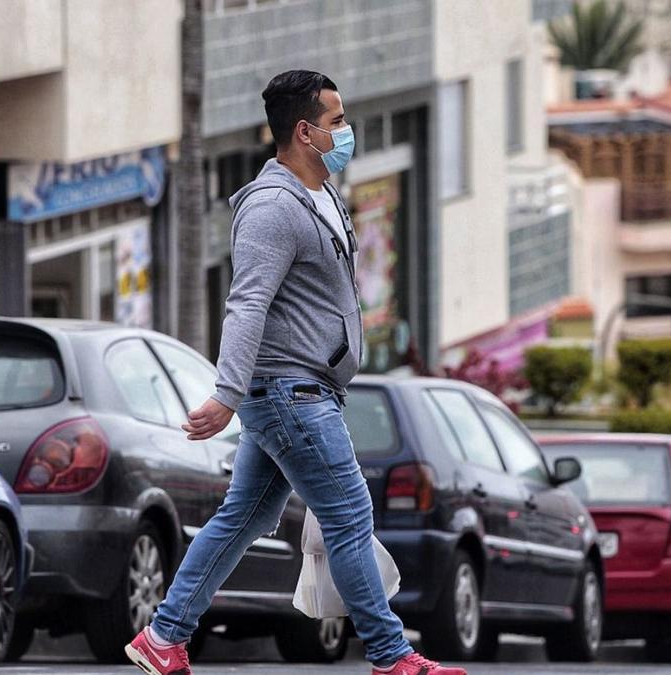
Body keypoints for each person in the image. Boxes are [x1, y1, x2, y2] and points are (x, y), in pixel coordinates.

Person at [124, 71, 466, 675]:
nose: (346, 132)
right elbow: (247, 302)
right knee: (349, 518)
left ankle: (164, 636)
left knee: (247, 515)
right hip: (289, 392)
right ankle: (392, 657)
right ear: (304, 132)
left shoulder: (323, 196)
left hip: (304, 389)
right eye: (336, 122)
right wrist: (227, 395)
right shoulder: (273, 207)